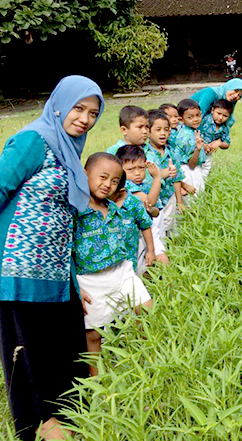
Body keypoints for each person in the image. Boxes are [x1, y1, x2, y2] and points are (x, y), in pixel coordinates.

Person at [0, 75, 103, 440]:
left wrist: (74, 278)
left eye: (93, 113)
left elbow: (64, 220)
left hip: (57, 273)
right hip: (19, 268)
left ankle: (69, 421)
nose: (85, 119)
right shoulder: (34, 140)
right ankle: (40, 427)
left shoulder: (69, 150)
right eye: (78, 108)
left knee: (67, 349)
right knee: (29, 355)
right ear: (60, 104)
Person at [75, 153, 152, 377]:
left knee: (146, 310)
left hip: (122, 271)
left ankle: (145, 362)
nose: (107, 184)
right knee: (93, 335)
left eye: (115, 181)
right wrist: (75, 286)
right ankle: (97, 385)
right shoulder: (76, 213)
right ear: (85, 174)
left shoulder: (116, 209)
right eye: (102, 177)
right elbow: (67, 251)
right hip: (90, 280)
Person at [116, 145, 168, 265]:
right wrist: (157, 178)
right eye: (131, 169)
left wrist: (152, 210)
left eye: (141, 168)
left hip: (149, 228)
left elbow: (155, 210)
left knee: (161, 258)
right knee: (142, 263)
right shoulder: (126, 185)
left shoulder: (145, 186)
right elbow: (150, 201)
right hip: (134, 231)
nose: (137, 173)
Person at [145, 110, 187, 235]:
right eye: (158, 130)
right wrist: (167, 172)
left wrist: (179, 202)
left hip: (169, 196)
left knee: (172, 226)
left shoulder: (171, 152)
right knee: (157, 229)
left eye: (166, 129)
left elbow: (176, 178)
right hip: (154, 199)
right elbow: (149, 176)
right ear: (148, 132)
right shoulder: (146, 153)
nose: (163, 133)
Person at [172, 99, 207, 193]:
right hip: (190, 172)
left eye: (198, 115)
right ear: (181, 119)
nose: (196, 119)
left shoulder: (187, 130)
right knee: (195, 200)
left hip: (188, 170)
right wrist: (198, 150)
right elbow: (191, 164)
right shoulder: (188, 137)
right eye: (190, 117)